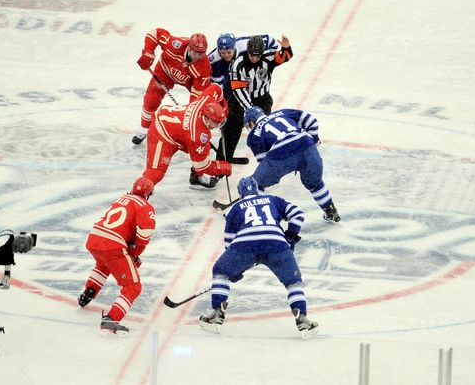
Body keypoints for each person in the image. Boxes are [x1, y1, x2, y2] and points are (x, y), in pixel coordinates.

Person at [199, 176, 319, 339]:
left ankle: (217, 315)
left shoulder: (235, 208)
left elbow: (229, 243)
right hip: (277, 245)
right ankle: (303, 319)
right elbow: (298, 214)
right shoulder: (273, 200)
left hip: (245, 245)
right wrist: (290, 236)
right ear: (258, 189)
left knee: (220, 272)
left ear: (240, 193)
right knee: (293, 283)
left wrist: (235, 269)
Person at [78, 176, 156, 335]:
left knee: (104, 263)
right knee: (133, 286)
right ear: (149, 194)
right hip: (113, 245)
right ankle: (112, 319)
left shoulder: (122, 199)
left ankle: (88, 292)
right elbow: (143, 237)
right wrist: (134, 254)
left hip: (94, 238)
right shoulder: (145, 206)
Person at [243, 106, 341, 222]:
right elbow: (310, 120)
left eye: (249, 125)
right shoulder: (283, 112)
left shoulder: (254, 135)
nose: (250, 128)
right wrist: (313, 140)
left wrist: (276, 172)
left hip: (281, 153)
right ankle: (330, 210)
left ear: (251, 121)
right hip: (306, 144)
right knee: (315, 183)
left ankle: (262, 219)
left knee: (256, 184)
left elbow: (264, 161)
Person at [207, 33, 281, 165]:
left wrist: (272, 52)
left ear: (234, 47)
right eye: (222, 52)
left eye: (228, 52)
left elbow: (270, 40)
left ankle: (270, 161)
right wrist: (223, 103)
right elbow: (214, 84)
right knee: (231, 126)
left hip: (260, 96)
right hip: (235, 92)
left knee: (262, 128)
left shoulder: (245, 46)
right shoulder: (213, 59)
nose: (226, 55)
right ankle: (223, 159)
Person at [142, 82, 233, 189]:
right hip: (161, 133)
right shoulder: (197, 135)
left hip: (177, 127)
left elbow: (216, 88)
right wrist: (221, 168)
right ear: (207, 118)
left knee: (203, 149)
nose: (218, 126)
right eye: (216, 122)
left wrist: (224, 108)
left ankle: (196, 177)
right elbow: (202, 166)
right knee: (156, 172)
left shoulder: (207, 101)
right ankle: (138, 193)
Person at [133, 28, 212, 145]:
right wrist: (148, 53)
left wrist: (190, 113)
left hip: (188, 80)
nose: (197, 57)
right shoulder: (175, 44)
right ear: (189, 48)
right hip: (165, 72)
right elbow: (155, 33)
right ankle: (143, 130)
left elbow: (198, 95)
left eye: (201, 54)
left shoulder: (204, 67)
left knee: (199, 106)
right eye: (195, 53)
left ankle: (195, 133)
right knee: (151, 99)